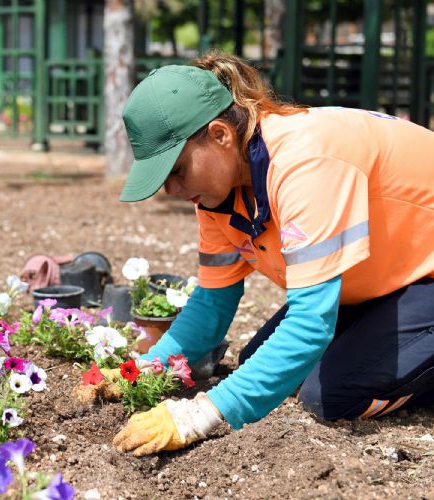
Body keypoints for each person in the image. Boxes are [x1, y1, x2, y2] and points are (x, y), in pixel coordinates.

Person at [111, 51, 434, 457]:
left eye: (175, 170)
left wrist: (201, 415)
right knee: (260, 363)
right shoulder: (217, 193)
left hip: (425, 277)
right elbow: (212, 303)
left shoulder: (305, 163)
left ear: (220, 135)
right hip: (395, 281)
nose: (171, 190)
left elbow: (310, 326)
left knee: (331, 394)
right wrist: (140, 372)